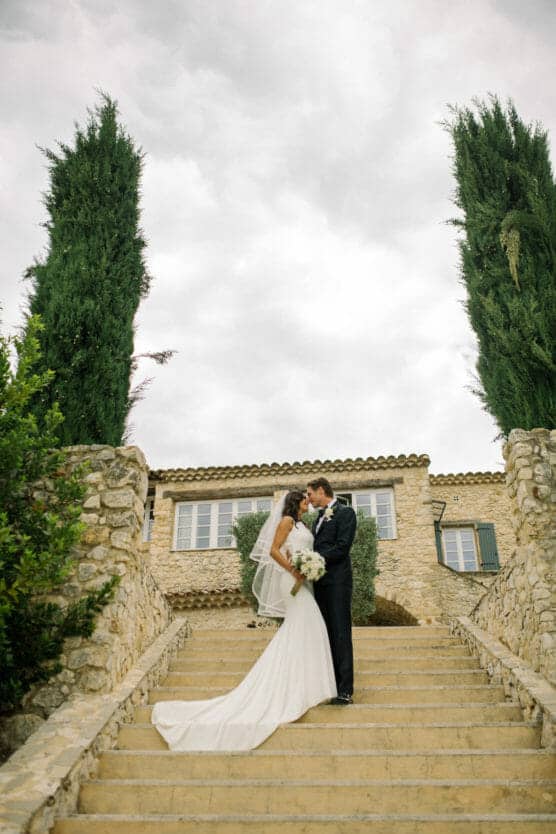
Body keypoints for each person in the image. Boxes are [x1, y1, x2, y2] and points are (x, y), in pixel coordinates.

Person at [151, 490, 336, 751]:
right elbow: (273, 550)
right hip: (291, 580)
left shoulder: (302, 524)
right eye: (305, 499)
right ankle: (299, 687)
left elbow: (300, 547)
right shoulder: (285, 521)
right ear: (297, 502)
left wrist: (308, 566)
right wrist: (292, 569)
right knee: (310, 623)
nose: (309, 502)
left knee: (307, 627)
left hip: (303, 582)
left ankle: (305, 685)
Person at [306, 477, 357, 704]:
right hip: (320, 584)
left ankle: (345, 690)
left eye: (310, 494)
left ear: (321, 490)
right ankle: (330, 685)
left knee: (340, 632)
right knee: (325, 634)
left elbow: (342, 547)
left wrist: (314, 558)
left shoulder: (346, 513)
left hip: (337, 582)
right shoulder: (318, 518)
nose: (308, 499)